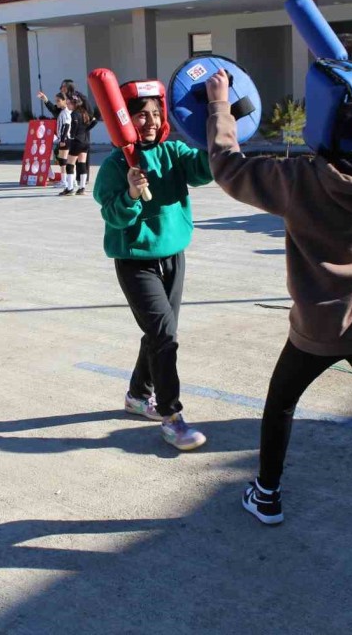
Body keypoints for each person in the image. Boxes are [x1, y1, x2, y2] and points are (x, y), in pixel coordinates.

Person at [204, 67, 352, 596]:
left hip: (314, 329)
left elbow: (226, 165)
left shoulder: (297, 179)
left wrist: (220, 104)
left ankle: (266, 495)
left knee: (280, 404)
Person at [92, 78, 214, 451]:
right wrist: (130, 192)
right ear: (123, 119)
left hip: (173, 254)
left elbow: (205, 171)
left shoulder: (175, 151)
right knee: (164, 336)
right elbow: (113, 216)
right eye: (140, 114)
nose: (149, 120)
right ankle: (171, 416)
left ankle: (136, 395)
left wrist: (220, 131)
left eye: (155, 113)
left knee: (159, 334)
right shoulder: (116, 165)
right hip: (135, 261)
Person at [60, 93, 98, 196]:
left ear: (74, 104)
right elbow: (94, 121)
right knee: (82, 164)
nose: (67, 105)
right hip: (85, 142)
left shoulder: (74, 114)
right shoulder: (85, 113)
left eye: (68, 104)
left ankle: (70, 188)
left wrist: (72, 135)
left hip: (77, 141)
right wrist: (85, 130)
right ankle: (82, 188)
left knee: (69, 165)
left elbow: (73, 125)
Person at [52, 93, 72, 188]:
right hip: (64, 138)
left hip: (65, 139)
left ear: (64, 100)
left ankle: (64, 181)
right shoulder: (63, 111)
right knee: (66, 160)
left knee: (63, 161)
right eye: (56, 101)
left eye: (58, 101)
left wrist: (63, 139)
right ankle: (69, 180)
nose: (57, 103)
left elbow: (66, 125)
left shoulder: (65, 112)